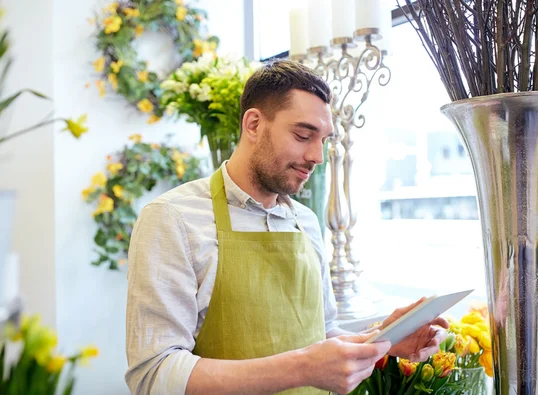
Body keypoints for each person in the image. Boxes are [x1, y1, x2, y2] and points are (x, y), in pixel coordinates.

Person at [125, 59, 449, 395]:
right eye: (303, 135)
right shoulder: (172, 218)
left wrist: (384, 337)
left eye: (323, 140)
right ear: (253, 124)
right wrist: (302, 368)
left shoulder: (305, 221)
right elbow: (154, 374)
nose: (317, 156)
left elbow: (319, 333)